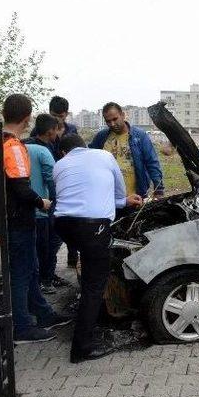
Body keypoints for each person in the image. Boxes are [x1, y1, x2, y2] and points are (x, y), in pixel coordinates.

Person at [0, 94, 71, 344]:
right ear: (27, 118)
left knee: (30, 268)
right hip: (18, 219)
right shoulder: (13, 147)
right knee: (21, 273)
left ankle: (41, 313)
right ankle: (21, 327)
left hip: (3, 217)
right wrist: (41, 202)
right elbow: (21, 188)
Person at [54, 134, 142, 363]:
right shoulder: (104, 155)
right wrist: (125, 201)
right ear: (85, 146)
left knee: (90, 268)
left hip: (63, 225)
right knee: (95, 286)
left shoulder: (60, 165)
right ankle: (82, 348)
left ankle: (88, 314)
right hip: (93, 227)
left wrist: (121, 202)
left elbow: (77, 195)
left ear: (64, 152)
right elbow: (118, 193)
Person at [30, 96, 80, 268]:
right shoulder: (39, 133)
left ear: (66, 114)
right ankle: (48, 273)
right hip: (50, 184)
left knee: (73, 223)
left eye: (60, 116)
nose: (57, 120)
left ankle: (73, 259)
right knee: (53, 231)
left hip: (68, 181)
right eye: (54, 115)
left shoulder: (71, 130)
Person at [90, 102, 164, 198]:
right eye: (108, 121)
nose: (112, 124)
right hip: (109, 197)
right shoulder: (101, 137)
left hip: (136, 196)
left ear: (123, 115)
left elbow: (152, 162)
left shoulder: (140, 136)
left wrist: (159, 190)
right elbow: (90, 159)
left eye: (115, 119)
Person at [25, 114, 59, 294]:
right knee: (46, 249)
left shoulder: (21, 146)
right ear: (50, 131)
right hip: (42, 209)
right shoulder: (44, 151)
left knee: (31, 252)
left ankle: (34, 283)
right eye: (56, 130)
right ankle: (45, 282)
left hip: (24, 208)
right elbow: (52, 180)